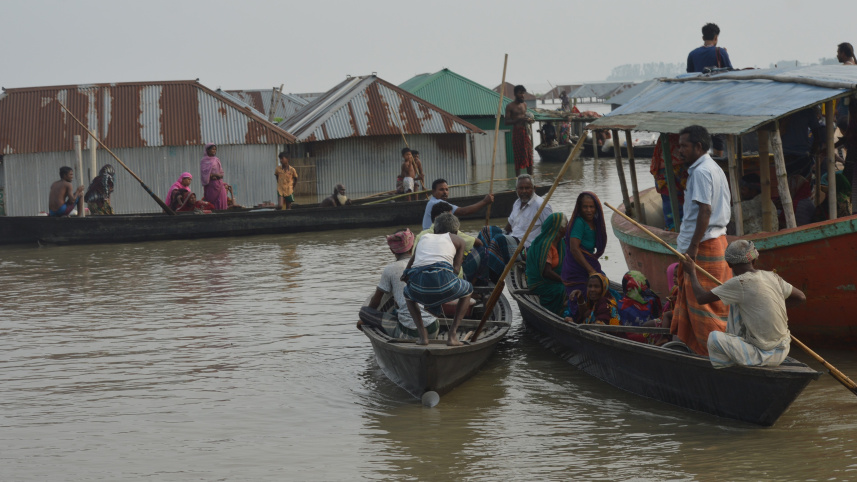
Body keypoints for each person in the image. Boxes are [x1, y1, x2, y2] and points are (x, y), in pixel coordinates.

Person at [682, 240, 806, 368]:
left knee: (714, 339)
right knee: (737, 302)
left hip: (763, 354)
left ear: (729, 264)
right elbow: (801, 297)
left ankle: (728, 367)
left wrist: (691, 272)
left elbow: (701, 298)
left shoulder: (739, 282)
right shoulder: (773, 277)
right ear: (754, 260)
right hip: (784, 349)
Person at [671, 125, 732, 355]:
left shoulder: (701, 171)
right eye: (679, 146)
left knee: (705, 305)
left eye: (684, 146)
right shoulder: (712, 168)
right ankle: (697, 349)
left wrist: (692, 250)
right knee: (711, 303)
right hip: (715, 242)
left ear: (698, 146)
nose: (680, 151)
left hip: (705, 246)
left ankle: (708, 353)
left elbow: (705, 212)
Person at [402, 213, 474, 346]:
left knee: (407, 293)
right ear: (456, 231)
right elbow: (456, 270)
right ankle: (452, 336)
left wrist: (427, 299)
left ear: (435, 230)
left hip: (418, 282)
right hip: (443, 280)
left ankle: (423, 337)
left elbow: (406, 273)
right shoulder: (459, 240)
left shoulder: (423, 238)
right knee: (468, 289)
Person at [359, 229, 439, 341]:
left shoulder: (391, 269)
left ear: (392, 250)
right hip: (434, 327)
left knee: (364, 312)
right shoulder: (426, 262)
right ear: (412, 247)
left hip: (410, 332)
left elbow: (375, 302)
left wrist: (368, 318)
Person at [485, 174, 553, 281]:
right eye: (521, 188)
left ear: (534, 189)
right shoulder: (517, 203)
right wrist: (500, 233)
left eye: (527, 188)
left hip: (526, 249)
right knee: (487, 231)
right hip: (513, 239)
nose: (524, 191)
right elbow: (509, 226)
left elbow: (552, 230)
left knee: (499, 240)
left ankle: (490, 277)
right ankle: (484, 262)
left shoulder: (541, 205)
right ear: (516, 190)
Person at [561, 191, 608, 318]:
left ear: (596, 208)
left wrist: (592, 271)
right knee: (580, 301)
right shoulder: (579, 223)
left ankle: (597, 315)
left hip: (587, 265)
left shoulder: (595, 222)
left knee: (603, 290)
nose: (589, 210)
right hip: (576, 269)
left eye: (591, 207)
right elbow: (574, 249)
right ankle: (579, 316)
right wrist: (590, 270)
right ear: (580, 208)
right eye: (585, 207)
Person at [416, 201, 482, 281]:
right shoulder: (454, 235)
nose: (452, 220)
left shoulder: (422, 236)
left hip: (422, 280)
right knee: (482, 250)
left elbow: (411, 266)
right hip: (449, 281)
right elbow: (456, 271)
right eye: (449, 217)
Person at [525, 212, 567, 315]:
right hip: (541, 282)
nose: (568, 228)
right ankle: (556, 313)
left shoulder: (560, 243)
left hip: (552, 280)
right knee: (561, 289)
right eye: (566, 225)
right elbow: (546, 272)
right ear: (560, 229)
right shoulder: (546, 245)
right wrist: (564, 280)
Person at [650, 133, 688, 231]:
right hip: (672, 174)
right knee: (675, 202)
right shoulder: (681, 138)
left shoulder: (666, 137)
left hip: (668, 173)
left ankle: (674, 228)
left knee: (672, 202)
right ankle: (675, 228)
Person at [422, 178, 493, 230]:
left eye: (447, 189)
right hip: (433, 235)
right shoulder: (436, 202)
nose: (445, 192)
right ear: (433, 192)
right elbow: (463, 211)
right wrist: (485, 202)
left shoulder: (432, 201)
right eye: (441, 189)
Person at [778, 108, 821, 178]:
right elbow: (817, 136)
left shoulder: (807, 110)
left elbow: (817, 136)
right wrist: (811, 155)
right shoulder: (807, 110)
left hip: (793, 155)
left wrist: (811, 155)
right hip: (794, 155)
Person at [505, 85, 534, 176]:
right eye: (520, 93)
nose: (522, 95)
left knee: (529, 156)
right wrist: (518, 120)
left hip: (525, 132)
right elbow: (506, 122)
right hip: (517, 133)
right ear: (515, 94)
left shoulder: (524, 105)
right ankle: (518, 180)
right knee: (518, 157)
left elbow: (526, 118)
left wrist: (529, 120)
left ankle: (531, 179)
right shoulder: (510, 106)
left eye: (523, 93)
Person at [200, 143, 228, 210]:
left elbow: (221, 172)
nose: (214, 151)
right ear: (208, 150)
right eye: (212, 149)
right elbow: (204, 174)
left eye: (215, 149)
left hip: (219, 184)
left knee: (222, 200)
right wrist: (213, 175)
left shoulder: (216, 160)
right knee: (212, 203)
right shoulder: (204, 161)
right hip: (211, 186)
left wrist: (219, 176)